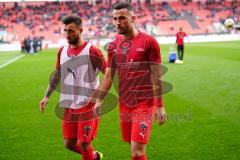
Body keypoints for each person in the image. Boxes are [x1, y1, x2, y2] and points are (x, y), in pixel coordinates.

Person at [93, 3, 166, 160]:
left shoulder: (149, 42)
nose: (117, 22)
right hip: (125, 104)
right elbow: (108, 75)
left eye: (122, 18)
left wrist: (160, 107)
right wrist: (99, 99)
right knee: (135, 150)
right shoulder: (113, 46)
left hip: (145, 104)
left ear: (133, 19)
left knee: (137, 152)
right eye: (115, 19)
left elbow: (157, 76)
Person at [39, 14, 106, 160]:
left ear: (81, 30)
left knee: (84, 143)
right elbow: (57, 75)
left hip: (88, 104)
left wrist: (98, 98)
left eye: (71, 31)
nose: (68, 34)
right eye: (66, 30)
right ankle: (94, 157)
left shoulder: (92, 51)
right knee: (69, 143)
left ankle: (90, 155)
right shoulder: (62, 51)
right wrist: (46, 96)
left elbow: (109, 74)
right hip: (69, 104)